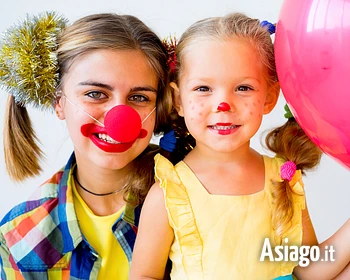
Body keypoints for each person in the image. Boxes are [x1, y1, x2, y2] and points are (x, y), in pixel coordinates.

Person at [129, 12, 323, 279]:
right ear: (179, 99)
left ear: (270, 97)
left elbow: (312, 269)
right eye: (203, 88)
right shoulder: (169, 193)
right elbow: (144, 275)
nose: (224, 105)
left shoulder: (285, 180)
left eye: (243, 88)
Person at [0, 11, 173, 279]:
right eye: (95, 94)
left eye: (139, 97)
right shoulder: (20, 236)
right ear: (59, 101)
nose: (120, 120)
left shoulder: (192, 197)